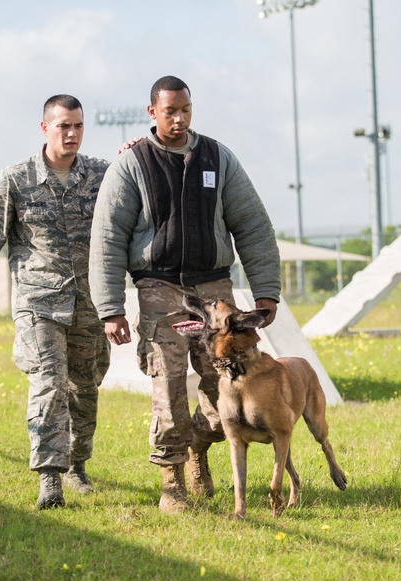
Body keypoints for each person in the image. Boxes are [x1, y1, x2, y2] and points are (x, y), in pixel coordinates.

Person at [90, 75, 282, 514]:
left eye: (185, 110)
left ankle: (198, 444)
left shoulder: (217, 157)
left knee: (227, 391)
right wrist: (111, 308)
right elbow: (108, 237)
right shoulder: (132, 164)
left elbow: (252, 223)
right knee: (170, 388)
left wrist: (266, 291)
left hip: (214, 290)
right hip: (160, 291)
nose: (178, 119)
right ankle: (172, 480)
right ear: (152, 112)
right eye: (169, 111)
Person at [0, 94, 111, 510]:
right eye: (63, 125)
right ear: (44, 127)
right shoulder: (15, 179)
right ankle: (50, 478)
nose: (72, 134)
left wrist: (138, 150)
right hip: (38, 303)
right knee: (49, 384)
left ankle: (78, 464)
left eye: (78, 126)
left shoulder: (102, 175)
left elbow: (130, 218)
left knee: (86, 387)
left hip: (89, 304)